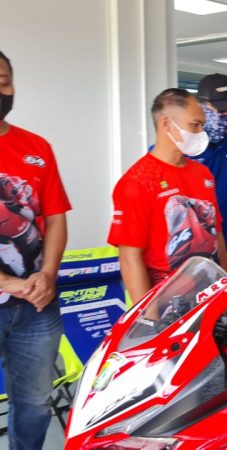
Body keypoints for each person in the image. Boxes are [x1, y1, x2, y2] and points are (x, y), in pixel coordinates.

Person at [0, 49, 71, 450]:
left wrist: (47, 274)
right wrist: (7, 282)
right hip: (13, 291)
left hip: (36, 306)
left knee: (35, 403)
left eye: (3, 81)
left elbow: (56, 218)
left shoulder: (36, 147)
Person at [108, 88, 227, 303]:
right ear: (166, 124)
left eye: (202, 125)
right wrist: (148, 314)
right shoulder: (138, 181)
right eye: (195, 125)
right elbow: (129, 257)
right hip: (167, 300)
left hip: (210, 295)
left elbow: (216, 234)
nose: (201, 132)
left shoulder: (203, 174)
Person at [191, 73, 227, 279]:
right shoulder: (186, 145)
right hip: (188, 252)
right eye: (221, 110)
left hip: (225, 243)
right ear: (201, 106)